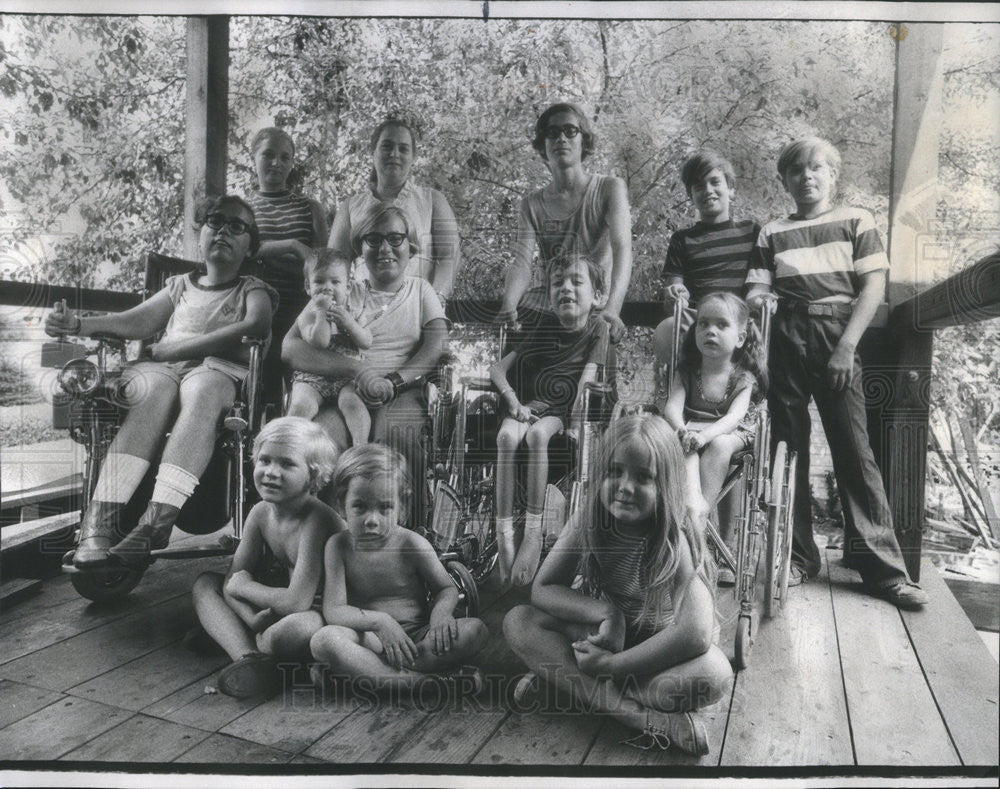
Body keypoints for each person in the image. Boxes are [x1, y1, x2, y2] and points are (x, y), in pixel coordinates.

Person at [44, 194, 277, 569]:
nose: (224, 231)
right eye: (216, 221)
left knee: (202, 387)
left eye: (238, 227)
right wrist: (78, 325)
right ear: (200, 233)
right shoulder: (180, 286)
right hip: (166, 372)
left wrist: (177, 348)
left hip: (218, 373)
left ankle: (155, 524)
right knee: (151, 388)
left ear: (250, 245)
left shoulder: (252, 289)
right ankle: (99, 523)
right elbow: (134, 321)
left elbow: (256, 326)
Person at [746, 136, 928, 608]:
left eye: (816, 168)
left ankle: (884, 572)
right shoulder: (772, 231)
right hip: (785, 337)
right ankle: (796, 557)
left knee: (854, 449)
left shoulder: (855, 220)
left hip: (836, 335)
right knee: (787, 450)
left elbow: (872, 288)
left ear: (832, 174)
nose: (807, 177)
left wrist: (847, 346)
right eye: (796, 171)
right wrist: (759, 302)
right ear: (784, 180)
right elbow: (755, 290)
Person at [503, 415, 732, 756]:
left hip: (658, 655)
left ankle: (573, 685)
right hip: (609, 640)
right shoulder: (591, 519)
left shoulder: (675, 535)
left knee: (715, 673)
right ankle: (637, 716)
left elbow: (696, 634)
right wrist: (607, 612)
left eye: (643, 477)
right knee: (518, 622)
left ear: (666, 485)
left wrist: (611, 667)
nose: (625, 486)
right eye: (615, 471)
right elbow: (543, 588)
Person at [283, 204, 448, 527]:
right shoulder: (341, 288)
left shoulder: (420, 291)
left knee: (395, 435)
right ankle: (326, 535)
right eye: (374, 239)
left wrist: (395, 382)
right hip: (344, 388)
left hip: (399, 391)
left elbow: (436, 345)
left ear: (411, 247)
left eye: (396, 238)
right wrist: (356, 371)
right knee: (322, 439)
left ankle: (406, 534)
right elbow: (290, 348)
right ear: (361, 249)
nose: (385, 247)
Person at [309, 444, 489, 696]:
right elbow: (334, 610)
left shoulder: (411, 544)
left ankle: (368, 675)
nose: (372, 519)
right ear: (341, 505)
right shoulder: (337, 547)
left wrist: (441, 615)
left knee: (475, 631)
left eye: (384, 508)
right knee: (324, 641)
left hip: (418, 640)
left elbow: (446, 588)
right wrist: (380, 622)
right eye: (360, 506)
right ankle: (421, 683)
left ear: (402, 509)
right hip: (369, 638)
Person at [191, 417, 340, 698]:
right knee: (204, 586)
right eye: (265, 460)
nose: (271, 472)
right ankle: (248, 658)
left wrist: (245, 588)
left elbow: (297, 602)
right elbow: (230, 580)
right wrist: (251, 618)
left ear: (314, 475)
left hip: (323, 613)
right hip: (277, 606)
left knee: (281, 635)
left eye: (286, 464)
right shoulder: (260, 512)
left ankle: (256, 650)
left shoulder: (317, 520)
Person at [491, 254, 614, 587]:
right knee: (505, 438)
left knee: (536, 436)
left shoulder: (597, 328)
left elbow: (589, 377)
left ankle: (532, 533)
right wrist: (515, 404)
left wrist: (578, 415)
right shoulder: (543, 325)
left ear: (598, 297)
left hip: (562, 414)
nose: (566, 289)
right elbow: (497, 370)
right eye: (558, 283)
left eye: (577, 282)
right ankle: (503, 533)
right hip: (528, 405)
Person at [496, 102, 632, 343]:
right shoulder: (532, 204)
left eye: (570, 131)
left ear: (584, 140)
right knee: (519, 354)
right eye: (552, 133)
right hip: (554, 306)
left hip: (595, 307)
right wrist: (509, 303)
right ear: (543, 145)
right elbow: (522, 262)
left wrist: (613, 308)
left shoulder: (609, 189)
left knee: (593, 373)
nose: (561, 138)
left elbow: (623, 249)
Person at [661, 293, 766, 583]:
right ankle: (692, 519)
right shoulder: (687, 371)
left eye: (722, 325)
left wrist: (704, 434)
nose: (711, 331)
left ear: (740, 338)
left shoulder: (743, 376)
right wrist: (682, 429)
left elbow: (734, 417)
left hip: (732, 434)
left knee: (718, 444)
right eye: (703, 324)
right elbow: (672, 405)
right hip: (692, 429)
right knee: (682, 445)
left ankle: (700, 520)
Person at [650, 152, 761, 403]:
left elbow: (761, 281)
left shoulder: (751, 231)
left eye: (715, 182)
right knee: (666, 329)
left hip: (740, 321)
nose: (708, 190)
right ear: (691, 196)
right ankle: (674, 397)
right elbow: (673, 290)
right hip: (700, 320)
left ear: (730, 188)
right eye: (699, 186)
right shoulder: (682, 239)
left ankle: (744, 401)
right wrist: (676, 293)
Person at [327, 118, 460, 304]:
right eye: (386, 146)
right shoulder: (351, 206)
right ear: (372, 152)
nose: (394, 154)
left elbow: (450, 257)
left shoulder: (433, 201)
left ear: (414, 156)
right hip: (364, 314)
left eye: (403, 149)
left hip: (420, 310)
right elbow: (334, 264)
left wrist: (436, 301)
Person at [247, 127, 330, 409]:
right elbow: (244, 249)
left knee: (303, 392)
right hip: (260, 314)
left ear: (292, 163)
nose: (276, 163)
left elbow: (320, 264)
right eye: (268, 155)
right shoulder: (244, 209)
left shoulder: (310, 208)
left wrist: (268, 254)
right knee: (263, 394)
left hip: (301, 315)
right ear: (253, 158)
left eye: (285, 157)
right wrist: (293, 246)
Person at [286, 249, 373, 448]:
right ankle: (287, 443)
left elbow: (366, 341)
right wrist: (322, 313)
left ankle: (361, 446)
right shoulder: (307, 315)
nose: (327, 288)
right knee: (302, 404)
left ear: (348, 286)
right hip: (313, 377)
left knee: (352, 403)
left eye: (335, 282)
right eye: (319, 282)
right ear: (308, 286)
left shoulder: (355, 312)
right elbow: (320, 342)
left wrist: (349, 323)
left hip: (346, 379)